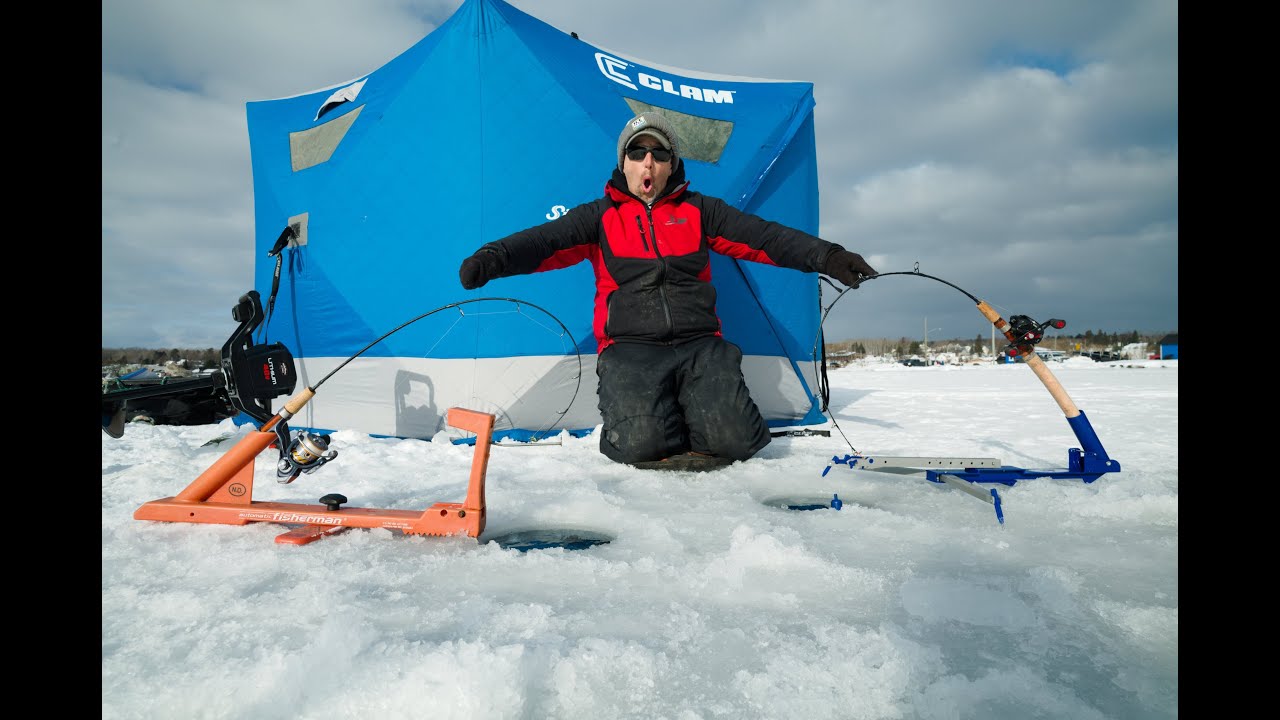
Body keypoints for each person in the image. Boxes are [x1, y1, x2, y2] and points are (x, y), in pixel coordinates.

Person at [458, 112, 876, 470]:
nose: (648, 164)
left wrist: (829, 257)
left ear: (670, 163)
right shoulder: (597, 218)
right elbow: (542, 243)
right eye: (637, 154)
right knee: (640, 446)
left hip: (700, 345)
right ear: (623, 163)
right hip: (630, 349)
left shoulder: (700, 210)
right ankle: (654, 418)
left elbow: (765, 237)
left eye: (659, 154)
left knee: (738, 442)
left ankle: (692, 413)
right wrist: (492, 258)